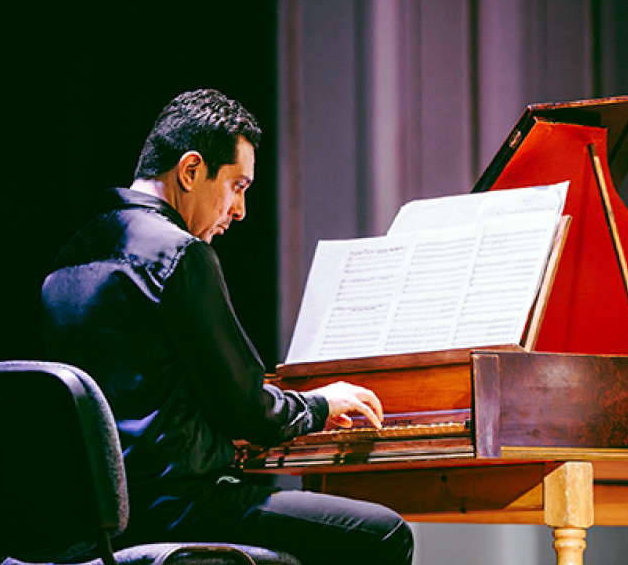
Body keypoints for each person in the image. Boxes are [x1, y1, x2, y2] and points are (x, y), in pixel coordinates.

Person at [41, 89, 414, 565]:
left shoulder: (69, 258)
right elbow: (247, 409)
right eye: (237, 186)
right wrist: (321, 405)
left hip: (91, 524)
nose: (240, 210)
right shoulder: (178, 254)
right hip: (179, 509)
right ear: (191, 170)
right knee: (385, 534)